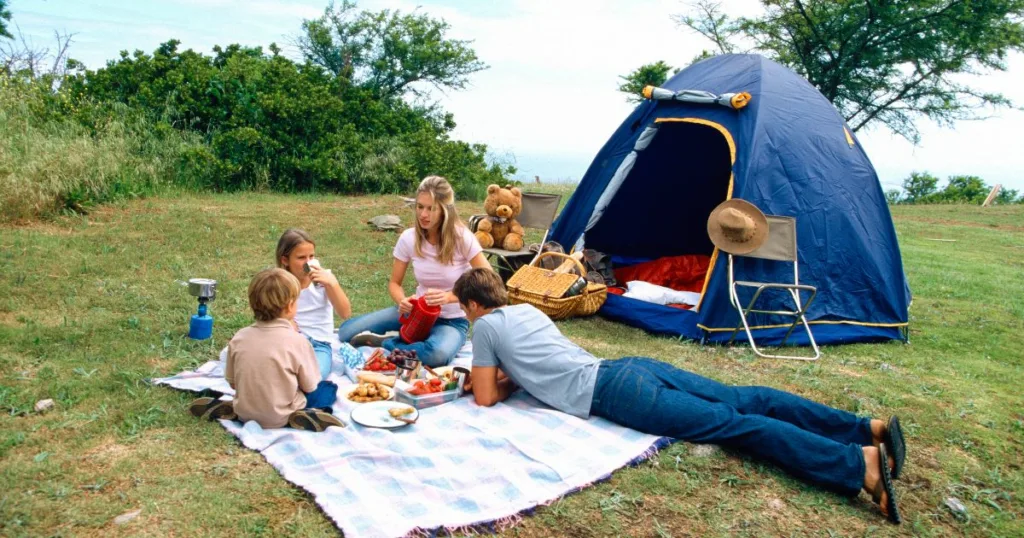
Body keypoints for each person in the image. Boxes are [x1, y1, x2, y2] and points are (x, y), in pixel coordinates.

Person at [451, 268, 908, 524]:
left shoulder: (486, 326)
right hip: (628, 367)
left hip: (613, 391)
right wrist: (513, 378)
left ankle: (859, 465)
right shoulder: (527, 310)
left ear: (473, 305)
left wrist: (488, 379)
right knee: (743, 398)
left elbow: (486, 399)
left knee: (735, 424)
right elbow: (537, 366)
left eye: (465, 309)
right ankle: (865, 428)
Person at [337, 175, 492, 367]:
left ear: (444, 210)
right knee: (345, 332)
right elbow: (395, 283)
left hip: (451, 321)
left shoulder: (462, 238)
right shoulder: (408, 238)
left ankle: (387, 343)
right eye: (420, 207)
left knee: (437, 354)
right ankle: (408, 341)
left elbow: (488, 278)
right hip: (416, 313)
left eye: (431, 208)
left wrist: (450, 297)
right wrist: (402, 300)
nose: (423, 214)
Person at [188, 268, 345, 432]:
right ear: (290, 305)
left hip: (244, 411)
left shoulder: (240, 337)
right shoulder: (298, 341)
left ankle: (234, 409)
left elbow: (233, 383)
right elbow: (310, 386)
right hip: (282, 413)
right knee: (327, 389)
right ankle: (301, 414)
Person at [275, 228, 353, 379]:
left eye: (311, 256)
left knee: (312, 377)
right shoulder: (279, 282)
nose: (308, 262)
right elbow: (269, 314)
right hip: (287, 341)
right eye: (301, 258)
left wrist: (332, 284)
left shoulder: (323, 280)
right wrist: (287, 321)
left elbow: (345, 313)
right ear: (285, 260)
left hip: (318, 344)